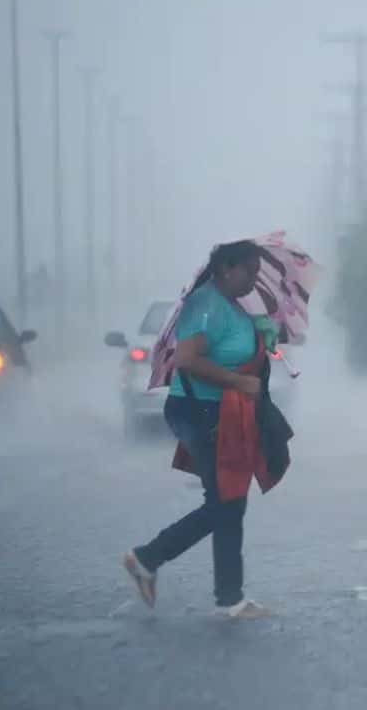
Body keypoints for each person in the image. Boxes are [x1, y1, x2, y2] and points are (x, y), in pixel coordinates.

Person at [123, 240, 272, 620]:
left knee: (229, 499)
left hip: (221, 412)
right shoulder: (205, 305)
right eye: (250, 271)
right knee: (225, 501)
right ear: (226, 268)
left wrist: (263, 333)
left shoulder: (231, 307)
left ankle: (228, 597)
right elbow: (187, 360)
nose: (255, 280)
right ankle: (149, 558)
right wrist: (238, 384)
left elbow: (232, 350)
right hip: (197, 411)